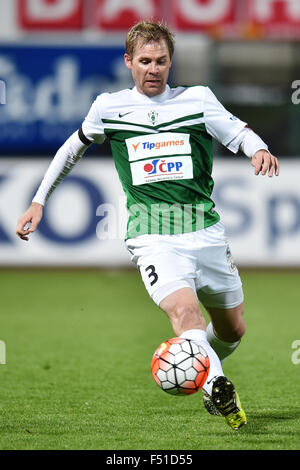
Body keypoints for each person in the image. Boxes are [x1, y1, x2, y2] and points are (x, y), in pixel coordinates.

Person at [16, 20, 279, 431]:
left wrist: (258, 148)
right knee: (185, 312)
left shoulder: (197, 100)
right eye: (144, 61)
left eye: (160, 61)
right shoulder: (109, 107)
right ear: (128, 62)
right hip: (153, 235)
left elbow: (236, 131)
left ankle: (196, 365)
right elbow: (71, 150)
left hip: (204, 230)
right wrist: (38, 200)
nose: (153, 69)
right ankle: (217, 386)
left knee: (233, 329)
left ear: (171, 61)